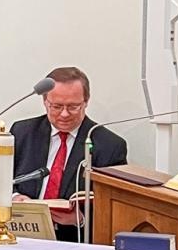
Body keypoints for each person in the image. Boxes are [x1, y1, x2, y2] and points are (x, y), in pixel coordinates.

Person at [11, 66, 127, 241]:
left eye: (73, 107)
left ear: (86, 102)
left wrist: (81, 219)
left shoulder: (109, 145)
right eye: (56, 106)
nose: (64, 114)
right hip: (21, 236)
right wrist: (15, 197)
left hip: (72, 240)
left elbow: (115, 208)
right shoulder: (22, 132)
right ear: (45, 101)